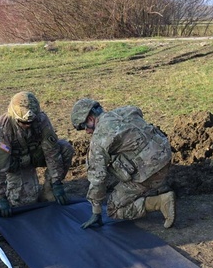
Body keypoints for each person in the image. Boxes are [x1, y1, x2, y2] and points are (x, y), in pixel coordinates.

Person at [69, 98, 175, 230]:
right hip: (165, 156)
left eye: (84, 127)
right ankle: (160, 185)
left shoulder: (99, 139)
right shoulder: (127, 110)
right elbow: (138, 114)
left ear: (90, 118)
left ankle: (160, 202)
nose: (87, 131)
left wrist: (96, 211)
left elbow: (98, 178)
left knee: (114, 209)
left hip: (150, 171)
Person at [0, 91, 74, 217]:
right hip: (16, 163)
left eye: (31, 123)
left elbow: (52, 152)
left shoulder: (41, 120)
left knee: (65, 148)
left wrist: (56, 182)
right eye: (23, 123)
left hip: (35, 155)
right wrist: (0, 197)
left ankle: (48, 191)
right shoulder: (1, 131)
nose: (28, 125)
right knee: (26, 203)